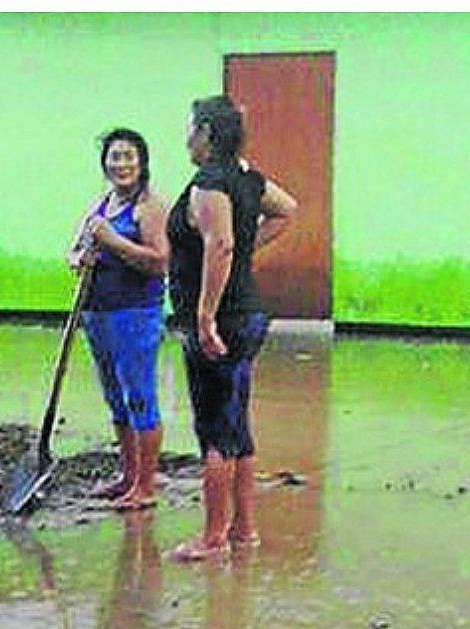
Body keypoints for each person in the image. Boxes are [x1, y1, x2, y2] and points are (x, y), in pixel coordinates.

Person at [165, 96, 297, 561]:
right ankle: (243, 529)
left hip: (222, 322)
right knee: (236, 424)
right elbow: (287, 210)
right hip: (249, 315)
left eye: (190, 129)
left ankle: (213, 536)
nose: (186, 139)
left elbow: (219, 246)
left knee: (214, 430)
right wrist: (245, 251)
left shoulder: (209, 184)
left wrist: (203, 317)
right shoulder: (245, 177)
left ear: (204, 132)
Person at [67, 128, 171, 510]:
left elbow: (160, 261)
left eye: (129, 156)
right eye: (115, 157)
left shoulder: (150, 207)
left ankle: (145, 486)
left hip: (136, 313)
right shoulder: (101, 204)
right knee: (115, 397)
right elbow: (75, 249)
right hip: (97, 314)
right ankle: (127, 475)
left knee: (140, 395)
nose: (121, 164)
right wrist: (78, 258)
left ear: (142, 163)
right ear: (104, 164)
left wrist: (114, 243)